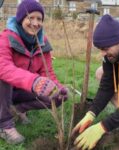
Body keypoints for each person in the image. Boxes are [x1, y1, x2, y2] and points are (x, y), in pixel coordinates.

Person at [72, 14, 119, 150]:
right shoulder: (111, 55)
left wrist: (102, 127)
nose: (102, 53)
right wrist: (92, 113)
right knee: (100, 72)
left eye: (105, 49)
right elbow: (107, 86)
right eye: (100, 49)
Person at [0, 0, 68, 145]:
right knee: (2, 77)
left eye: (39, 19)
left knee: (57, 97)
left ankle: (17, 110)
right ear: (21, 19)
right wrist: (33, 81)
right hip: (4, 91)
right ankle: (4, 124)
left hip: (21, 92)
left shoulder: (42, 42)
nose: (36, 23)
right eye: (31, 18)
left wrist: (58, 88)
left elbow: (47, 72)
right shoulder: (6, 38)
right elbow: (3, 67)